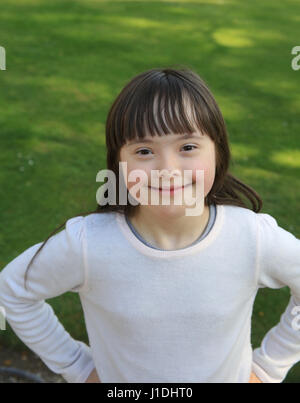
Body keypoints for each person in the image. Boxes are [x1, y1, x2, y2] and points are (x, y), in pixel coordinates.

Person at [0, 67, 299, 383]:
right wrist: (77, 366)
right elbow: (13, 291)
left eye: (187, 147)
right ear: (119, 163)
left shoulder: (251, 238)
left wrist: (267, 368)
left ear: (217, 151)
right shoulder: (88, 244)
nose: (167, 169)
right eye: (144, 151)